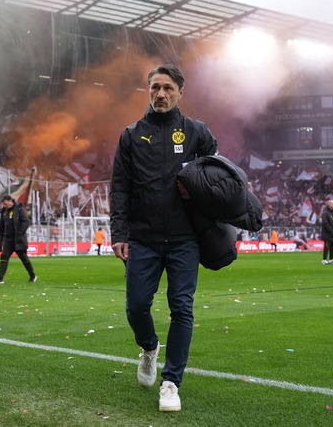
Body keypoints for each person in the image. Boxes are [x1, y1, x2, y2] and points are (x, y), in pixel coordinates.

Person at [110, 64, 218, 412]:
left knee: (182, 307)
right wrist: (119, 233)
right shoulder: (131, 134)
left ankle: (171, 382)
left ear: (180, 93)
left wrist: (202, 193)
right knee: (137, 306)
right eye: (155, 87)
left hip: (185, 238)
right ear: (148, 90)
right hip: (142, 237)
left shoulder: (197, 132)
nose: (161, 94)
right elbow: (120, 188)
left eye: (168, 88)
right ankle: (149, 347)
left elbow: (219, 174)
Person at [0, 194, 37, 284]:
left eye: (5, 204)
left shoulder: (19, 209)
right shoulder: (4, 211)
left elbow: (26, 222)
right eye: (4, 204)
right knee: (4, 257)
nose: (4, 206)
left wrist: (20, 233)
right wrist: (1, 238)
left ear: (10, 201)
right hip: (8, 240)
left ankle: (32, 275)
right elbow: (2, 225)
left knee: (24, 258)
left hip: (18, 239)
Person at [320, 200, 333, 265]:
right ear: (329, 205)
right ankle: (324, 260)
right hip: (327, 233)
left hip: (332, 233)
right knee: (327, 246)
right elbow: (325, 223)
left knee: (332, 246)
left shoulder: (331, 212)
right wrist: (330, 230)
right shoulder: (325, 213)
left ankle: (331, 259)